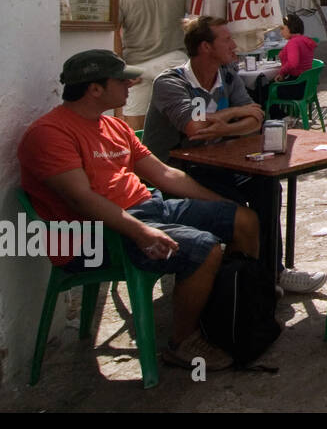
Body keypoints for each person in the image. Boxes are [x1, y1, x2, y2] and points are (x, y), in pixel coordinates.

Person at [19, 50, 261, 370]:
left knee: (244, 219)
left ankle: (232, 315)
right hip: (96, 235)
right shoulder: (50, 134)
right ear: (95, 89)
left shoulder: (113, 126)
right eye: (122, 80)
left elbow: (164, 175)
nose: (131, 84)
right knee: (204, 248)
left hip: (148, 207)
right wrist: (141, 231)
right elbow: (81, 200)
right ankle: (182, 342)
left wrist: (220, 202)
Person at [143, 16, 326, 295]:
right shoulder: (171, 83)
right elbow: (195, 128)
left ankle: (271, 272)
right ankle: (244, 276)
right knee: (238, 200)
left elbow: (255, 118)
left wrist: (222, 119)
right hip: (176, 171)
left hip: (217, 162)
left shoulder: (227, 74)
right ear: (205, 47)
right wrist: (230, 116)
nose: (234, 44)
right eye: (226, 39)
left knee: (267, 186)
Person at [115, 0, 193, 131]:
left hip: (137, 68)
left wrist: (120, 68)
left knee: (136, 126)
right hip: (175, 61)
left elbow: (114, 32)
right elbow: (198, 17)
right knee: (181, 117)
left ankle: (140, 158)